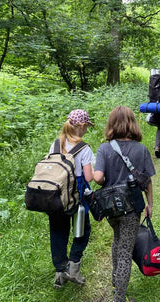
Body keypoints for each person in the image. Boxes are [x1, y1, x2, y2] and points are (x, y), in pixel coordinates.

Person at [93, 106, 155, 302]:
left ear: (111, 124)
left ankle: (115, 279)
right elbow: (148, 182)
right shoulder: (141, 149)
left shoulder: (104, 148)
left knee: (117, 241)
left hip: (111, 207)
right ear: (132, 124)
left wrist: (94, 171)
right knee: (125, 252)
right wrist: (150, 205)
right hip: (131, 209)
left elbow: (98, 178)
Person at [49, 109, 95, 289]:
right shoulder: (84, 148)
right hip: (76, 197)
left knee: (58, 232)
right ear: (82, 126)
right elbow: (89, 177)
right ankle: (73, 267)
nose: (86, 130)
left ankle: (60, 272)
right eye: (86, 127)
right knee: (83, 231)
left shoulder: (55, 145)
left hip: (55, 197)